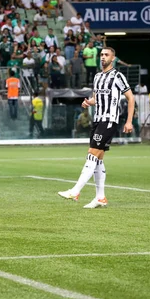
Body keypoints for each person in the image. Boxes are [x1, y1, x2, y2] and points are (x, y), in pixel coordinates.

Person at [58, 47, 134, 209]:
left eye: (106, 55)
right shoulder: (98, 77)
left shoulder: (117, 76)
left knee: (92, 154)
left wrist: (128, 121)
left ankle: (75, 190)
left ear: (113, 58)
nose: (103, 57)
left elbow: (131, 97)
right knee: (98, 159)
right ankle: (100, 198)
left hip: (109, 120)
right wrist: (89, 102)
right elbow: (97, 98)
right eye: (101, 55)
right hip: (97, 120)